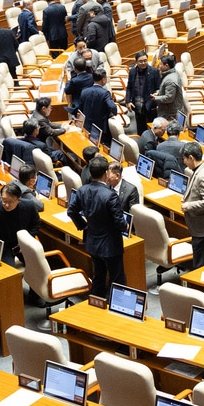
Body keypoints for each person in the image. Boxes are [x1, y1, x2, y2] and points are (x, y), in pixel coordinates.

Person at [69, 157, 128, 296]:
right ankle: (115, 307)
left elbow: (71, 211)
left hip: (92, 242)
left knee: (98, 276)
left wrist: (84, 226)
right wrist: (124, 227)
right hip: (111, 245)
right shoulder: (110, 195)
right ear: (106, 173)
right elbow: (120, 222)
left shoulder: (82, 190)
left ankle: (98, 304)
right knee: (117, 279)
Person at [179, 142, 204, 269]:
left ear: (191, 158)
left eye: (185, 159)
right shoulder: (198, 170)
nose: (184, 162)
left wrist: (189, 205)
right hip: (200, 226)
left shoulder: (202, 175)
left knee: (200, 265)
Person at [0, 183, 40, 266]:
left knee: (38, 265)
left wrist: (27, 241)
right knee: (10, 272)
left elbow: (35, 224)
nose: (7, 205)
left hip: (23, 244)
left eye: (10, 202)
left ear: (18, 199)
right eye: (4, 201)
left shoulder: (29, 206)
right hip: (4, 247)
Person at [125, 51, 161, 134]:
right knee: (140, 128)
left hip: (150, 104)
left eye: (145, 60)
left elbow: (158, 88)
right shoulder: (132, 71)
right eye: (140, 61)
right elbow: (129, 88)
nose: (143, 63)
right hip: (137, 104)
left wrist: (157, 93)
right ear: (136, 62)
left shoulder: (154, 71)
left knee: (153, 128)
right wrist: (128, 101)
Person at [77, 68, 118, 141]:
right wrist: (113, 113)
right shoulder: (105, 93)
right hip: (100, 127)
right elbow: (113, 107)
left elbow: (80, 109)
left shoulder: (84, 91)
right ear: (103, 79)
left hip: (87, 125)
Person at [153, 54, 185, 123]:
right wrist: (159, 93)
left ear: (166, 66)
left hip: (170, 113)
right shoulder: (172, 73)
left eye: (161, 64)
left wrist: (155, 98)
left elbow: (169, 98)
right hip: (170, 109)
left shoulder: (170, 80)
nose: (159, 66)